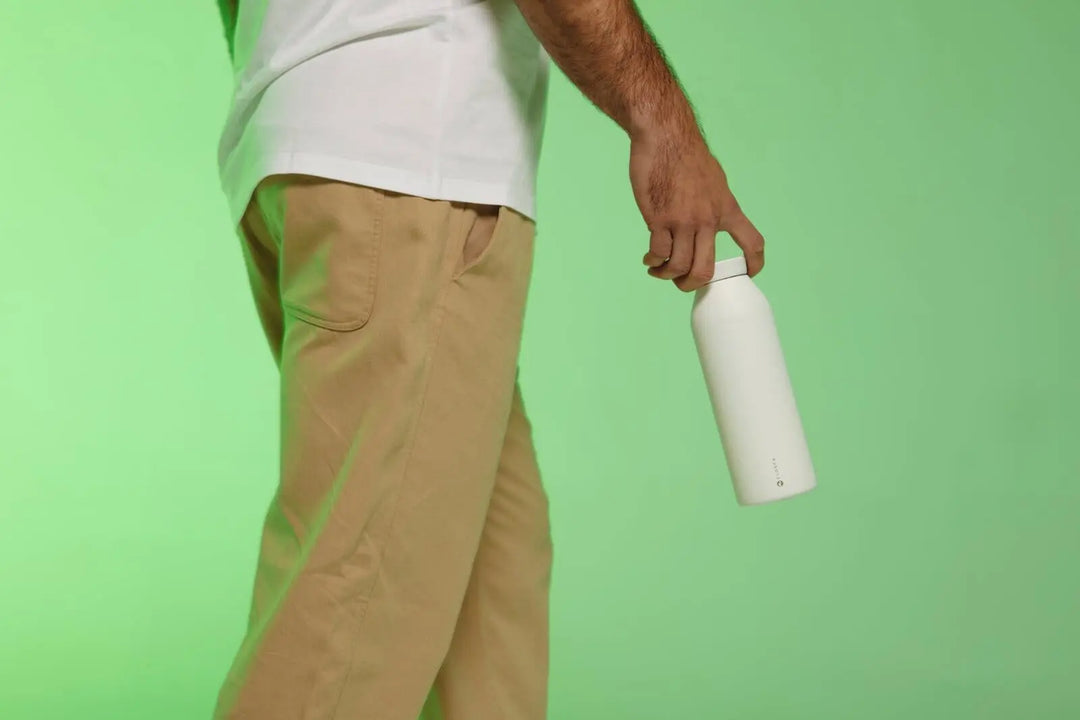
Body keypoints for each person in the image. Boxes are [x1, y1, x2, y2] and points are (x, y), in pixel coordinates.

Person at [211, 1, 765, 718]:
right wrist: (669, 131)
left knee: (491, 589)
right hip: (411, 169)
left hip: (308, 160)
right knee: (352, 612)